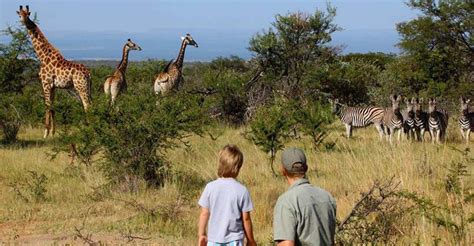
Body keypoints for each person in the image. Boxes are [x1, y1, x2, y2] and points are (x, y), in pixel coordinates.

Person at [273, 148, 337, 246]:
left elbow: (286, 244)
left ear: (282, 170)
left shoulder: (286, 202)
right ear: (306, 168)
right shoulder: (327, 197)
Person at [198, 144, 257, 246]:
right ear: (237, 168)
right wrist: (250, 240)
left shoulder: (210, 187)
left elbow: (204, 213)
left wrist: (201, 234)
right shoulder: (242, 190)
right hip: (234, 240)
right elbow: (246, 219)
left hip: (213, 240)